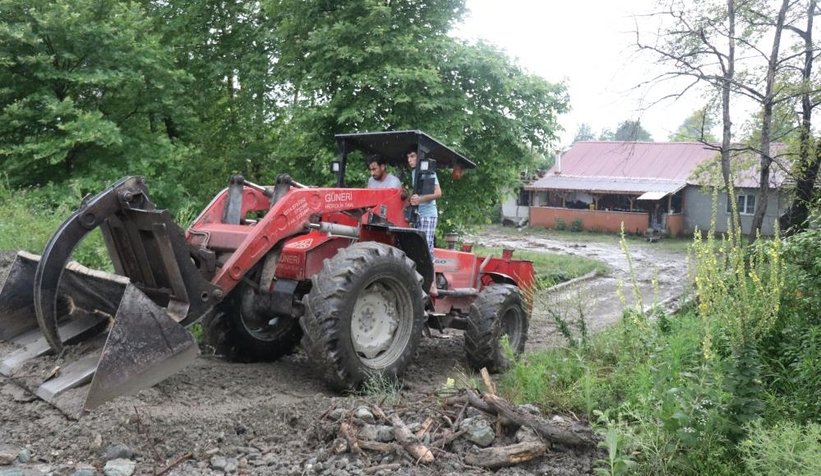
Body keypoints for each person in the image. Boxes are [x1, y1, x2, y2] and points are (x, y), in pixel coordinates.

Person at [407, 149, 442, 254]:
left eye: (412, 156)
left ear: (419, 157)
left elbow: (438, 193)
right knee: (415, 247)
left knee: (425, 247)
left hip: (428, 214)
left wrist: (419, 200)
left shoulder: (428, 172)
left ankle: (429, 270)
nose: (409, 160)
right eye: (408, 157)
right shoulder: (414, 172)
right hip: (417, 214)